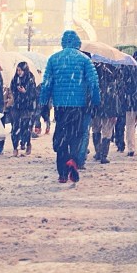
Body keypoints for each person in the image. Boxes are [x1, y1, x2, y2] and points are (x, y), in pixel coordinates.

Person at [39, 30, 100, 183]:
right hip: (79, 106)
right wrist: (96, 101)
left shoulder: (53, 59)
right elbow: (94, 83)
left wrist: (43, 102)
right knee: (76, 136)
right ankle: (73, 160)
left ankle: (62, 173)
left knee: (62, 137)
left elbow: (46, 84)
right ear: (77, 43)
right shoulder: (85, 60)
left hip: (60, 106)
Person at [91, 61, 121, 164]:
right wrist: (115, 112)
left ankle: (98, 152)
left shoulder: (93, 71)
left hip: (96, 106)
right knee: (107, 131)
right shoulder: (113, 71)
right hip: (108, 107)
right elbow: (115, 95)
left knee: (96, 129)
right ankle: (103, 155)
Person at [10, 62, 37, 156]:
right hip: (16, 106)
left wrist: (25, 92)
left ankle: (27, 143)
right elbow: (12, 90)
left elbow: (33, 94)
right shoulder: (15, 79)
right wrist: (15, 91)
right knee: (15, 127)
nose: (19, 72)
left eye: (20, 70)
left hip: (27, 107)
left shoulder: (30, 79)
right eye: (17, 70)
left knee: (26, 127)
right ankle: (15, 147)